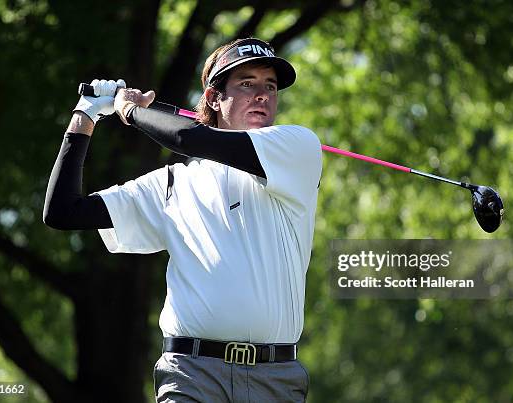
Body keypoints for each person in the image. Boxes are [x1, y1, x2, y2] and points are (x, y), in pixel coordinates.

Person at [43, 37, 322, 402]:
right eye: (247, 83)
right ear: (213, 98)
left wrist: (130, 111)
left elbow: (189, 138)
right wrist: (86, 116)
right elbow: (63, 211)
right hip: (192, 374)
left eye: (270, 86)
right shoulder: (172, 183)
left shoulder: (296, 147)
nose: (262, 95)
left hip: (275, 378)